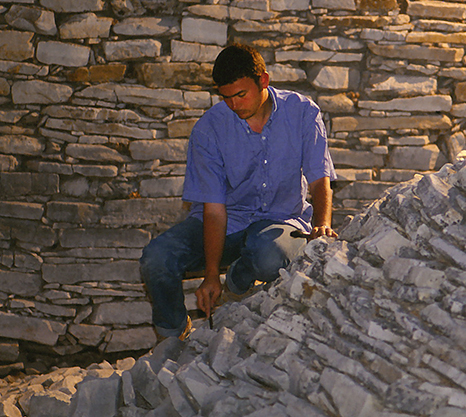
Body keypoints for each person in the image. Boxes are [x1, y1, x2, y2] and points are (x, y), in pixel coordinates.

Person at [140, 43, 337, 340]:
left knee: (270, 256)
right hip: (227, 222)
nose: (234, 105)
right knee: (156, 258)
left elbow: (319, 177)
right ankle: (172, 337)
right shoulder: (209, 129)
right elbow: (215, 211)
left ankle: (238, 280)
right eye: (226, 97)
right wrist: (209, 276)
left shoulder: (302, 113)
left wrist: (322, 223)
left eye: (241, 95)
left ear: (264, 81)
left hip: (280, 221)